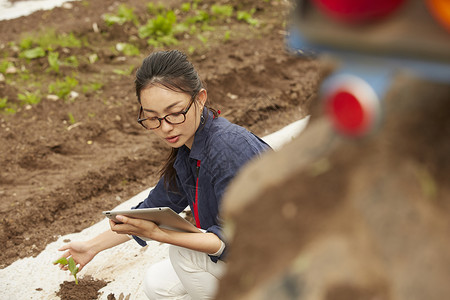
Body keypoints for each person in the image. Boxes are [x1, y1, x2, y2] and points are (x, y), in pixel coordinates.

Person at [55, 50, 270, 299]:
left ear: (200, 99)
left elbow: (232, 240)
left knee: (183, 253)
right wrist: (91, 247)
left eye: (175, 113)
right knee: (157, 284)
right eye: (153, 118)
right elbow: (150, 210)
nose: (165, 127)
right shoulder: (188, 152)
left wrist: (160, 235)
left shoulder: (228, 147)